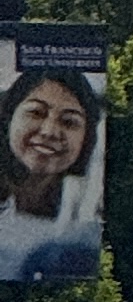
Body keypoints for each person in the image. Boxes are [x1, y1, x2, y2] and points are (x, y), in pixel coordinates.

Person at [0, 65, 103, 287]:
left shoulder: (88, 225)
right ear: (8, 118)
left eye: (69, 122)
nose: (49, 131)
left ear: (86, 138)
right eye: (36, 113)